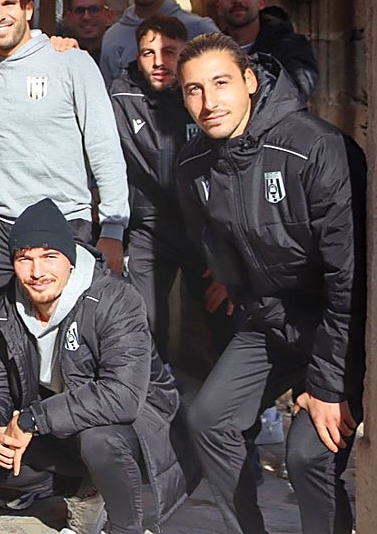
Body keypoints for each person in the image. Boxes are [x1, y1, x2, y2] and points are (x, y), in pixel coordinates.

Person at [176, 33, 365, 534]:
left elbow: (347, 278)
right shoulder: (194, 163)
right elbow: (216, 247)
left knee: (307, 454)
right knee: (208, 419)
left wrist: (322, 382)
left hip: (341, 325)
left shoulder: (315, 147)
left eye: (220, 83)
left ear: (250, 81)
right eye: (193, 90)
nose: (208, 101)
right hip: (271, 319)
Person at [0, 198, 195, 534]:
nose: (37, 272)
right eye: (24, 259)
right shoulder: (4, 307)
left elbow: (123, 395)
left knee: (98, 441)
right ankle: (85, 490)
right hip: (60, 422)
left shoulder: (116, 299)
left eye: (49, 257)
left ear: (70, 261)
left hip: (138, 427)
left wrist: (33, 419)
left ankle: (126, 527)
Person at [0, 0, 129, 289]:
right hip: (0, 229)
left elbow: (104, 146)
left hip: (65, 221)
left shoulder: (71, 61)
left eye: (9, 4)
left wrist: (113, 229)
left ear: (28, 9)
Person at [108, 14, 221, 358]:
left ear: (185, 51)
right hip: (150, 227)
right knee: (144, 321)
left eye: (170, 52)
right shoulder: (121, 95)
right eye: (148, 53)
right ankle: (151, 400)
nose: (159, 62)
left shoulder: (203, 95)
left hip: (205, 226)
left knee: (227, 314)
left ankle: (246, 403)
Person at [214, 0, 319, 100]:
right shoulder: (213, 54)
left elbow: (295, 95)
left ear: (261, 3)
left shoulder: (292, 46)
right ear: (218, 8)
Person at [60, 0, 114, 66]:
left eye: (94, 10)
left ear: (109, 16)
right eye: (79, 11)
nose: (86, 17)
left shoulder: (119, 49)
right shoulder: (62, 51)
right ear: (69, 18)